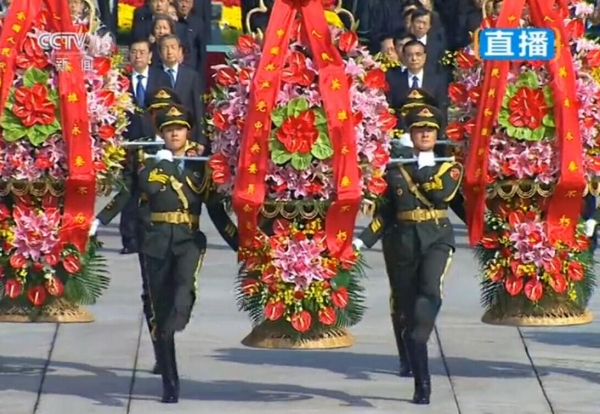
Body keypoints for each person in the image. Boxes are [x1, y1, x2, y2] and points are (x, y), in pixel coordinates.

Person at [353, 104, 463, 405]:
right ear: (410, 134)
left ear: (437, 133)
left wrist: (422, 161)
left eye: (429, 129)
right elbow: (386, 214)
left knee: (429, 289)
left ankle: (422, 374)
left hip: (436, 238)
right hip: (402, 242)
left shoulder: (448, 165)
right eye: (418, 129)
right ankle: (414, 363)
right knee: (403, 304)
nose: (425, 133)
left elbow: (438, 192)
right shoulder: (393, 169)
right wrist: (361, 243)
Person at [136, 104, 239, 403]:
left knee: (184, 287)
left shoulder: (199, 167)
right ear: (162, 135)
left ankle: (181, 311)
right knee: (159, 315)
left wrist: (241, 244)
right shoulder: (150, 163)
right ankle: (170, 382)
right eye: (169, 130)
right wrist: (164, 164)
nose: (175, 133)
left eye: (179, 129)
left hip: (187, 240)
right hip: (156, 243)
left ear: (187, 132)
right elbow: (149, 190)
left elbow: (217, 213)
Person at [159, 34, 206, 150]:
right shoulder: (153, 75)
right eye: (165, 48)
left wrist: (200, 139)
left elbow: (198, 109)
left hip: (188, 136)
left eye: (173, 47)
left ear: (180, 51)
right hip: (162, 137)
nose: (169, 51)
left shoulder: (192, 76)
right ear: (159, 53)